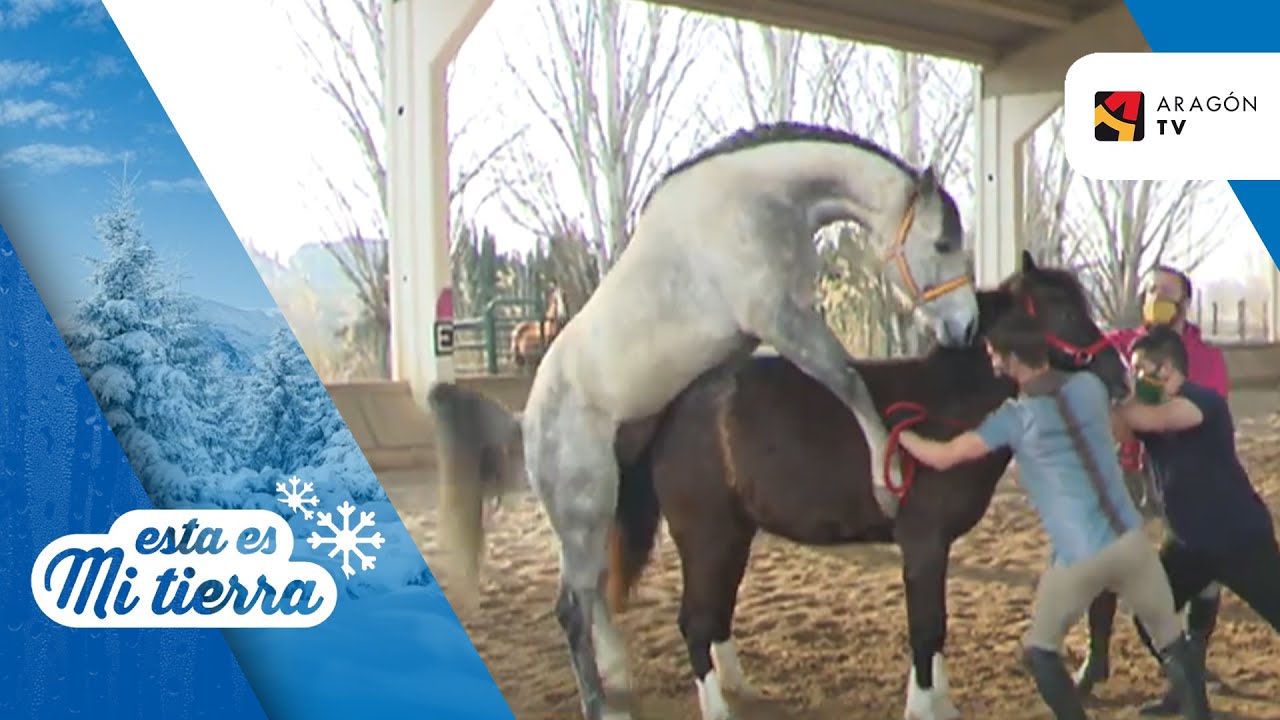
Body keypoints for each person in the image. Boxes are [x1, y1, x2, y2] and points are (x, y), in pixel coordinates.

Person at [896, 312, 1212, 720]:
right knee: (1171, 642)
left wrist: (897, 431)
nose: (992, 362)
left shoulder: (1015, 418)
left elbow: (943, 456)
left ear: (1011, 360)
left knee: (1040, 652)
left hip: (1080, 557)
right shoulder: (1090, 386)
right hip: (1133, 542)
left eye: (995, 355)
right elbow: (1120, 423)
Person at [1075, 265, 1231, 714]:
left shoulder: (1205, 357)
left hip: (1183, 474)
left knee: (1202, 570)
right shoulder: (1120, 346)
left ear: (1185, 304)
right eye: (1148, 291)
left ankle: (1190, 670)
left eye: (1165, 293)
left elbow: (1202, 411)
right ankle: (1097, 656)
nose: (1154, 298)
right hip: (1125, 468)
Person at [1112, 325, 1280, 714]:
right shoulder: (1146, 410)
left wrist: (1118, 393)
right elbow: (1120, 429)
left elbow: (1158, 421)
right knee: (1149, 613)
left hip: (1238, 539)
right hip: (1188, 542)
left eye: (1141, 369)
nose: (1136, 378)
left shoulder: (1201, 400)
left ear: (1167, 369)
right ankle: (1188, 697)